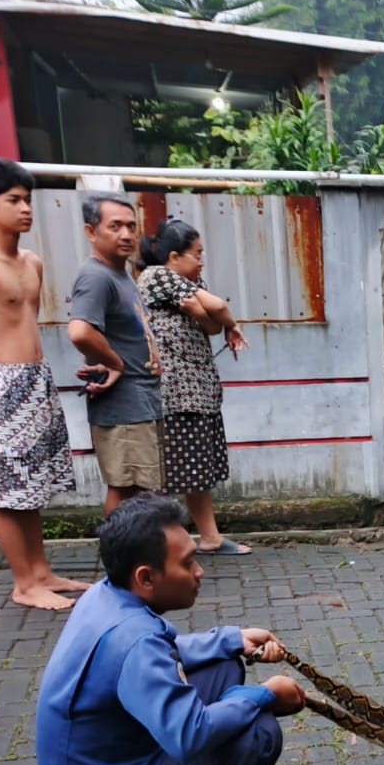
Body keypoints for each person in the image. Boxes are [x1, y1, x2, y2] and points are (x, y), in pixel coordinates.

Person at [35, 495, 307, 765]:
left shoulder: (105, 596)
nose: (198, 572)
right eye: (187, 564)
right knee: (257, 733)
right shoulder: (135, 641)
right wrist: (265, 696)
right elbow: (191, 734)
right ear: (145, 577)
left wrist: (231, 639)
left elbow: (164, 653)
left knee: (224, 663)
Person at [0, 157, 88, 612]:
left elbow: (13, 323)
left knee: (33, 483)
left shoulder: (31, 262)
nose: (25, 209)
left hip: (35, 379)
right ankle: (23, 583)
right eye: (14, 200)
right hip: (2, 386)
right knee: (8, 488)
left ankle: (41, 572)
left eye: (28, 200)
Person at [137, 218, 251, 555]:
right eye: (197, 254)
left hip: (197, 391)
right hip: (176, 392)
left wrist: (216, 321)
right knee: (176, 470)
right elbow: (219, 308)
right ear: (174, 256)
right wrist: (234, 326)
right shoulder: (158, 276)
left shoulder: (184, 282)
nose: (201, 261)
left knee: (197, 469)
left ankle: (210, 537)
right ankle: (159, 541)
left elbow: (210, 323)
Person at [68, 193, 163, 515]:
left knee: (140, 489)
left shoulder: (120, 274)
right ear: (91, 232)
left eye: (131, 226)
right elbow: (80, 331)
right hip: (124, 405)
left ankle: (138, 558)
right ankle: (120, 562)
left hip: (140, 400)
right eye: (115, 226)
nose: (126, 234)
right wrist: (115, 362)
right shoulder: (96, 276)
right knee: (127, 489)